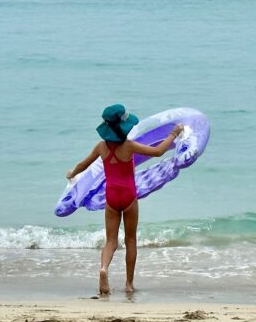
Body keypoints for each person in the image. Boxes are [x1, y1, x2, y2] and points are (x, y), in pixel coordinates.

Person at [66, 104, 183, 295]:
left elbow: (83, 165)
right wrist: (174, 133)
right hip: (128, 196)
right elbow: (158, 152)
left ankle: (104, 269)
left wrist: (71, 174)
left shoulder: (101, 147)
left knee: (110, 241)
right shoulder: (129, 146)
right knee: (130, 240)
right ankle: (129, 284)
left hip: (111, 197)